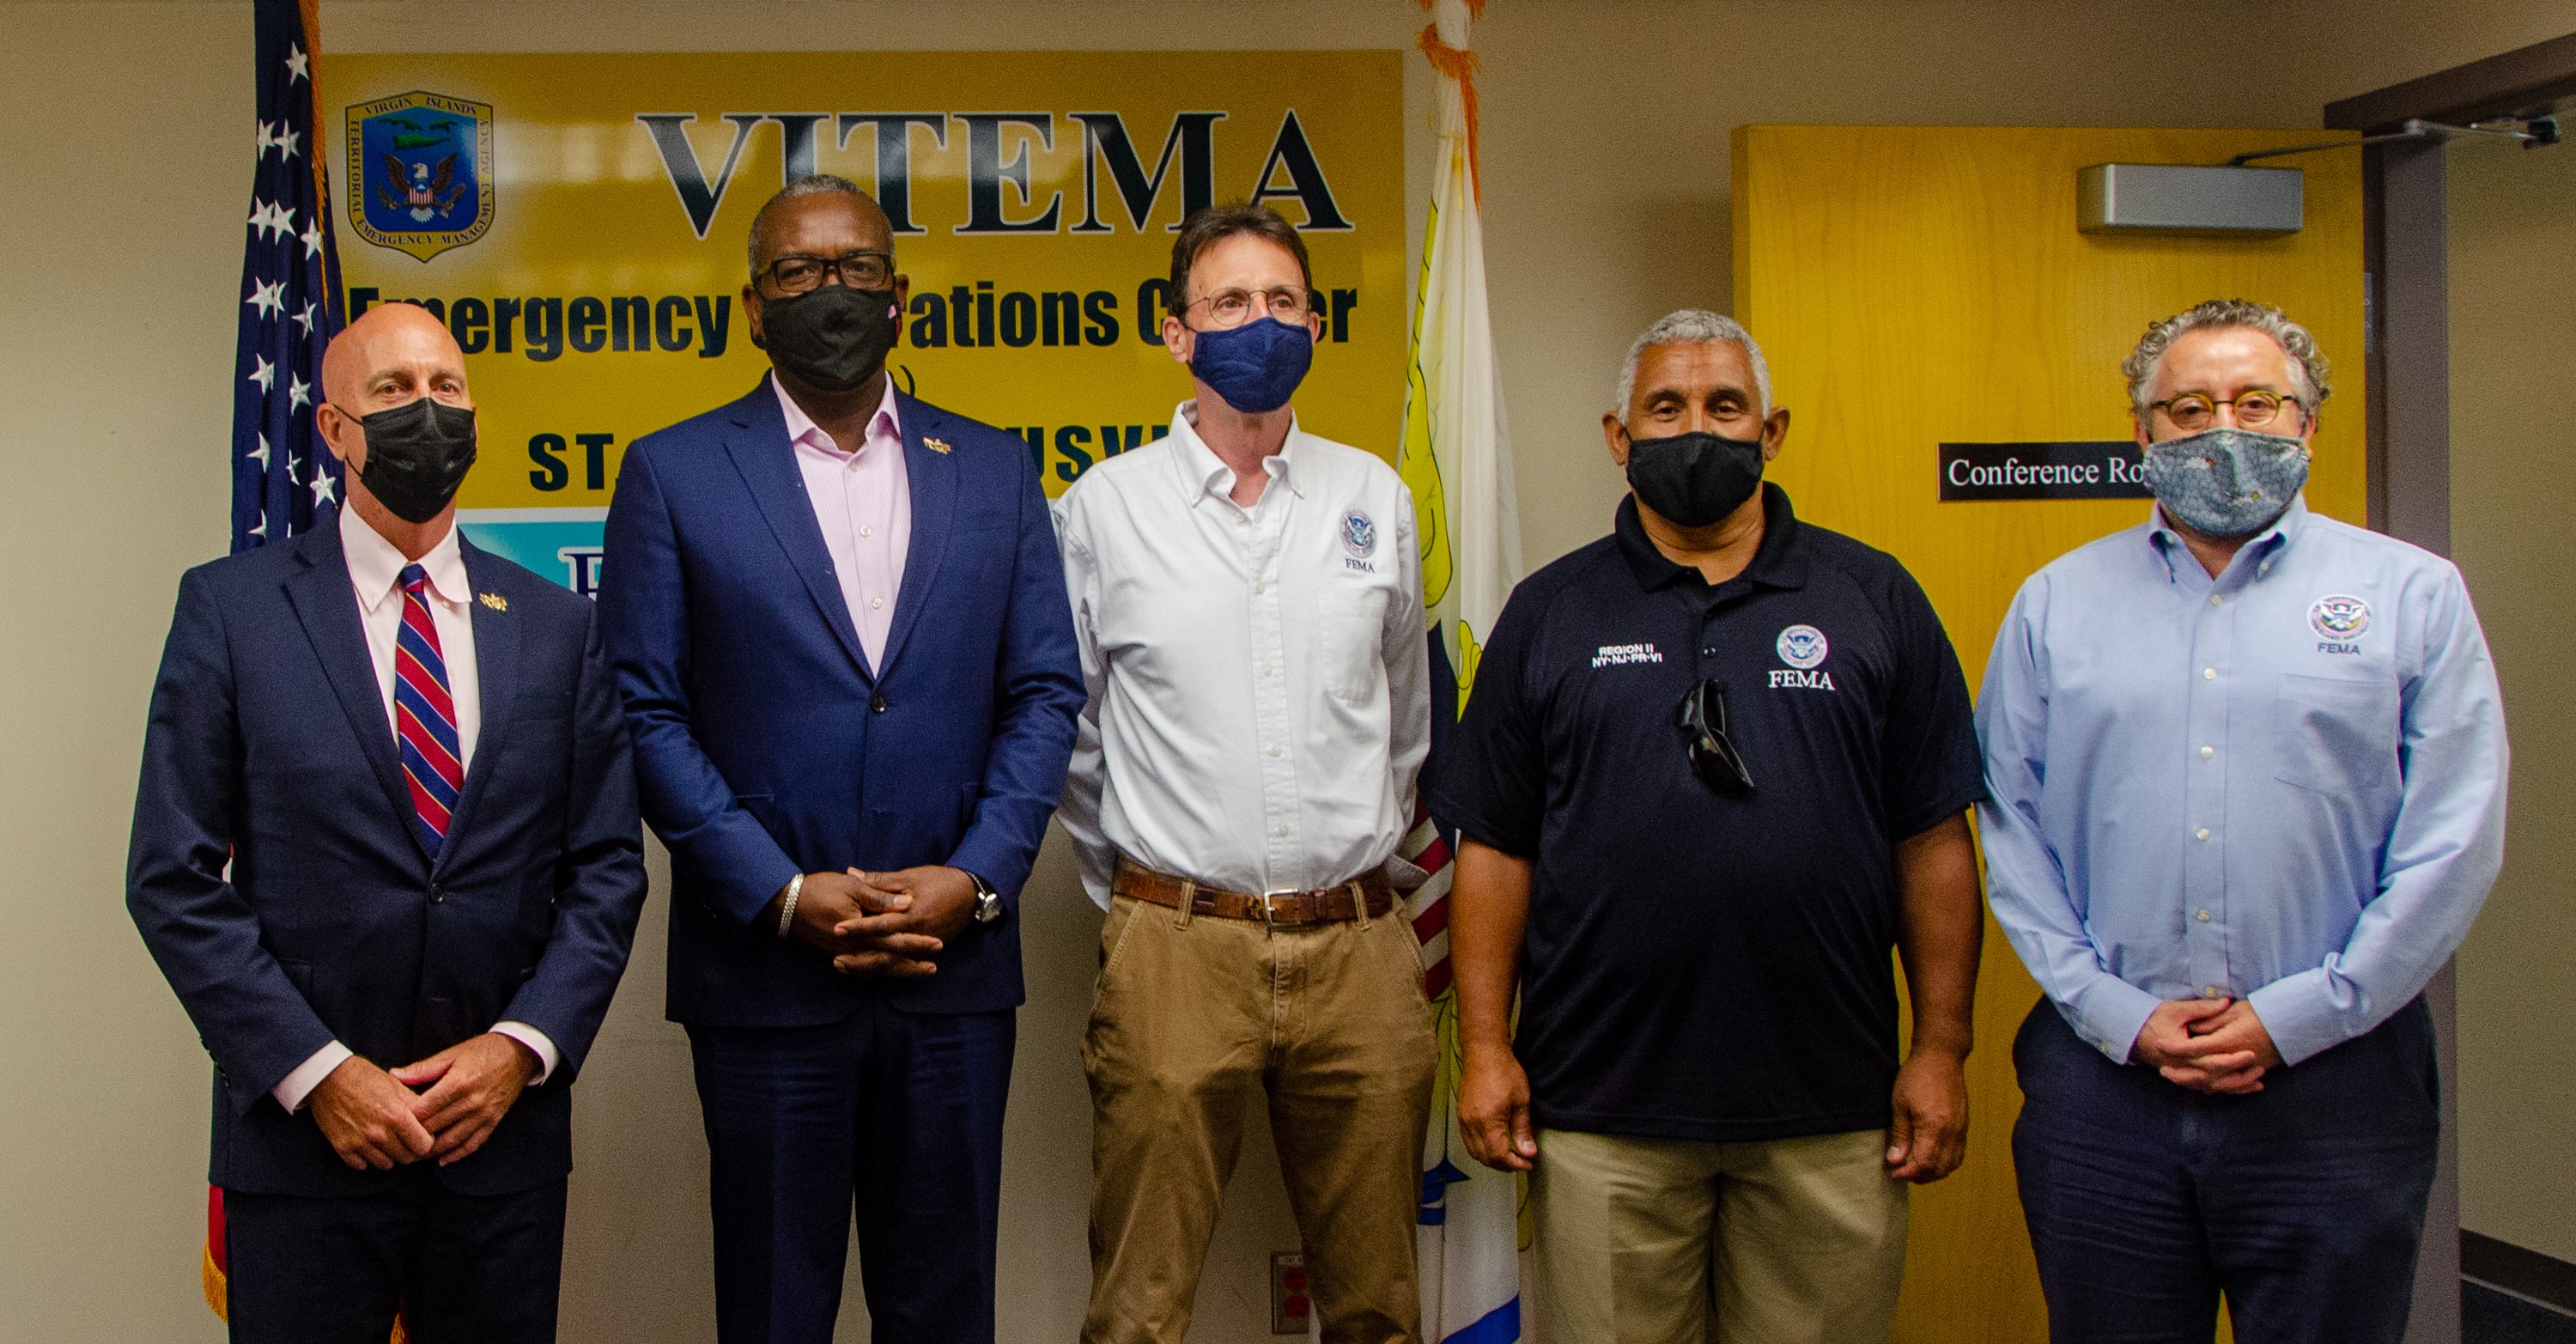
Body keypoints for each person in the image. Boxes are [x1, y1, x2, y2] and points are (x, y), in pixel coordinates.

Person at [1432, 309, 1986, 1343]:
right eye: (1668, 407)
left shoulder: (1873, 596)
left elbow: (1933, 839)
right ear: (1618, 434)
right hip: (1602, 1107)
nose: (1698, 429)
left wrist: (1942, 1045)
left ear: (1771, 431)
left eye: (1724, 406)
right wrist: (1486, 1047)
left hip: (1829, 1105)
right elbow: (1495, 846)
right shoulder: (1551, 612)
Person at [598, 173, 1084, 1344]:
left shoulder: (995, 468)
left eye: (858, 268)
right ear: (752, 306)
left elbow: (1043, 689)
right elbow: (642, 708)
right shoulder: (673, 473)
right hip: (766, 983)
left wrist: (973, 881)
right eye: (800, 273)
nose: (833, 292)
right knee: (775, 1311)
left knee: (945, 1307)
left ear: (901, 298)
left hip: (952, 978)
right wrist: (778, 891)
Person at [1978, 298, 2508, 1343]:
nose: (2223, 428)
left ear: (2308, 424)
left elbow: (2455, 834)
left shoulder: (2412, 595)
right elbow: (2008, 824)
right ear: (2143, 433)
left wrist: (2307, 1010)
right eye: (2187, 408)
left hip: (2336, 1080)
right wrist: (2111, 1008)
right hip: (2106, 1082)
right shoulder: (2056, 602)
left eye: (2257, 401)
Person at [126, 301, 647, 1344]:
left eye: (447, 389)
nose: (428, 412)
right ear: (332, 429)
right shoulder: (230, 611)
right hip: (306, 1144)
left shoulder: (559, 628)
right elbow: (171, 875)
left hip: (498, 1141)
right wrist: (320, 1073)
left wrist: (522, 1045)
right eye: (394, 392)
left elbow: (605, 871)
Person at [1052, 202, 1435, 1344]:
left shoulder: (1376, 500)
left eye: (1281, 301)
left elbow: (1405, 719)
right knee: (1139, 1311)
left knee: (1374, 1306)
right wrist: (1141, 907)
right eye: (1229, 302)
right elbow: (1072, 741)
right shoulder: (1104, 510)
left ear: (1316, 321)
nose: (1258, 323)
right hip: (1175, 940)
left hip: (1361, 947)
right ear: (1177, 334)